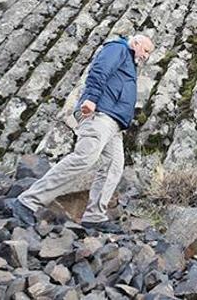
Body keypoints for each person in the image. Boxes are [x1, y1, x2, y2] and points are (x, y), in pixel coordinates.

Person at [11, 34, 154, 233]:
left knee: (113, 167)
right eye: (146, 50)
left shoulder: (129, 62)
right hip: (99, 114)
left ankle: (95, 217)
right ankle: (27, 201)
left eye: (149, 53)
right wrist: (91, 99)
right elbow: (99, 71)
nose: (146, 55)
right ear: (136, 43)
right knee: (83, 158)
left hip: (114, 124)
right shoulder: (118, 48)